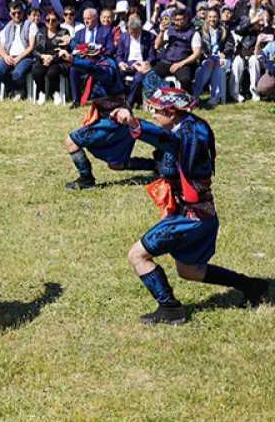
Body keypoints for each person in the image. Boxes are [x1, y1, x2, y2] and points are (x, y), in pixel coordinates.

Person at [110, 84, 269, 325]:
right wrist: (147, 74)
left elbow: (164, 139)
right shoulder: (193, 123)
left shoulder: (185, 137)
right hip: (204, 216)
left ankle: (170, 309)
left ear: (172, 113)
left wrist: (133, 124)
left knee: (137, 256)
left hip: (188, 218)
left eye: (155, 109)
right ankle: (252, 285)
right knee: (190, 271)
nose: (151, 111)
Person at [61, 44, 156, 190]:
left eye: (82, 58)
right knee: (116, 164)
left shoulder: (106, 67)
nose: (81, 61)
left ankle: (86, 179)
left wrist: (74, 60)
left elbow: (95, 70)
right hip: (110, 118)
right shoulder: (101, 62)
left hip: (114, 119)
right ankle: (155, 165)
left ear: (88, 56)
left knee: (71, 141)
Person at [0, 2, 37, 100]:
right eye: (13, 13)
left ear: (23, 12)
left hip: (25, 56)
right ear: (9, 14)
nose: (17, 15)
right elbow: (1, 47)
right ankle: (12, 89)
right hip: (9, 56)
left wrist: (18, 58)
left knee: (17, 74)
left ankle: (19, 90)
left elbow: (31, 46)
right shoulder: (6, 27)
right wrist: (5, 57)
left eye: (19, 12)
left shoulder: (30, 25)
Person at [154, 9, 202, 93]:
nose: (178, 22)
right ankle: (153, 99)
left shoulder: (194, 33)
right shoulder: (169, 30)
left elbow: (196, 54)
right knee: (150, 76)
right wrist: (161, 32)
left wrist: (180, 64)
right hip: (167, 61)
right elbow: (157, 45)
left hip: (184, 62)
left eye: (181, 20)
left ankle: (186, 100)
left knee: (185, 80)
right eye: (176, 20)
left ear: (186, 19)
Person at [115, 14, 158, 107]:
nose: (134, 35)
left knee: (138, 79)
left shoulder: (149, 37)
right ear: (128, 29)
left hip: (142, 63)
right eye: (132, 32)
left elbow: (152, 56)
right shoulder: (124, 36)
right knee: (116, 74)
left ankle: (129, 102)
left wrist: (144, 64)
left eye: (136, 32)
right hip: (128, 63)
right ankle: (118, 99)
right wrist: (121, 63)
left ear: (141, 28)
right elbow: (119, 54)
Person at [31, 9, 70, 105]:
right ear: (44, 21)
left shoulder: (64, 32)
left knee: (52, 72)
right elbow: (35, 51)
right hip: (43, 59)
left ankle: (55, 92)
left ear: (58, 21)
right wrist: (43, 56)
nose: (50, 22)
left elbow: (65, 50)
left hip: (58, 60)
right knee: (37, 71)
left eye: (53, 20)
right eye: (48, 20)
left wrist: (52, 58)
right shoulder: (40, 33)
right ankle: (41, 92)